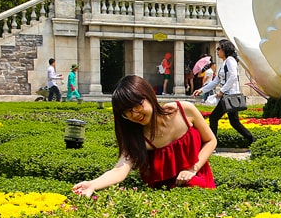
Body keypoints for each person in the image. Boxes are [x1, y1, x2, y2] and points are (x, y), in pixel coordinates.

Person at [72, 75, 216, 197]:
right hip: (168, 196)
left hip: (200, 179)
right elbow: (119, 169)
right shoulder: (137, 137)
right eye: (127, 112)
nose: (134, 114)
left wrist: (193, 169)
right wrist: (92, 185)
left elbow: (210, 140)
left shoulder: (184, 110)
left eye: (137, 105)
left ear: (149, 96)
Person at [193, 39, 255, 146]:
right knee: (234, 122)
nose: (217, 51)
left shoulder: (230, 60)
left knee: (214, 118)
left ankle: (212, 145)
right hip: (227, 97)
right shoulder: (225, 62)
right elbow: (215, 81)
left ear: (225, 49)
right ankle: (252, 140)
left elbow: (233, 77)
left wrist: (222, 91)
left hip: (228, 96)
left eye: (219, 48)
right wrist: (201, 90)